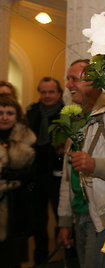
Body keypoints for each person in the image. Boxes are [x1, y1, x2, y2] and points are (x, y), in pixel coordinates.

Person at [57, 59, 105, 268]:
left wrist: (95, 165)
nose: (68, 85)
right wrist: (65, 220)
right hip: (81, 215)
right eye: (68, 79)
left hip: (104, 218)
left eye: (74, 79)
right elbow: (68, 176)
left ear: (95, 83)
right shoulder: (77, 118)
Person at [26, 77, 65, 265]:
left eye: (51, 92)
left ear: (59, 93)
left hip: (58, 177)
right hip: (36, 175)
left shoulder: (67, 114)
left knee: (62, 220)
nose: (47, 96)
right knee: (38, 223)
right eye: (43, 91)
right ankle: (39, 261)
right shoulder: (32, 112)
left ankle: (62, 259)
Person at [0, 94, 36, 268]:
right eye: (0, 113)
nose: (4, 117)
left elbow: (31, 172)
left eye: (9, 113)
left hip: (16, 205)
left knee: (12, 255)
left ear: (17, 115)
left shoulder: (27, 138)